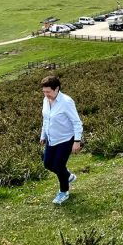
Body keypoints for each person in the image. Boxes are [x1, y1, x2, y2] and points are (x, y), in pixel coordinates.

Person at [39, 75, 83, 205]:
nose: (46, 95)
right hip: (51, 139)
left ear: (57, 88)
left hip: (65, 139)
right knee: (47, 164)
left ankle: (64, 192)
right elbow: (46, 119)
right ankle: (68, 176)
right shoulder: (46, 100)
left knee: (58, 165)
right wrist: (43, 135)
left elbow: (76, 122)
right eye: (44, 92)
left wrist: (77, 141)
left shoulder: (66, 102)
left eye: (48, 92)